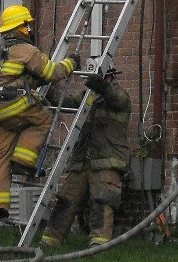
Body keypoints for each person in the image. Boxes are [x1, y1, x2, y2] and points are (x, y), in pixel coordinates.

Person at [0, 4, 76, 223]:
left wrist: (32, 80)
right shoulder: (26, 50)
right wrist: (71, 63)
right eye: (27, 25)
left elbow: (9, 78)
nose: (29, 29)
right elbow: (52, 72)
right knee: (42, 120)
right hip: (11, 107)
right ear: (21, 27)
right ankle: (23, 162)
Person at [40, 66, 134, 247]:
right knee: (67, 199)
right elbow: (64, 101)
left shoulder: (121, 96)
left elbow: (118, 100)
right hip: (82, 159)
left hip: (107, 159)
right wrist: (46, 87)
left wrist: (104, 88)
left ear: (109, 77)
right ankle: (52, 239)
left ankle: (99, 242)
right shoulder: (86, 97)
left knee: (102, 200)